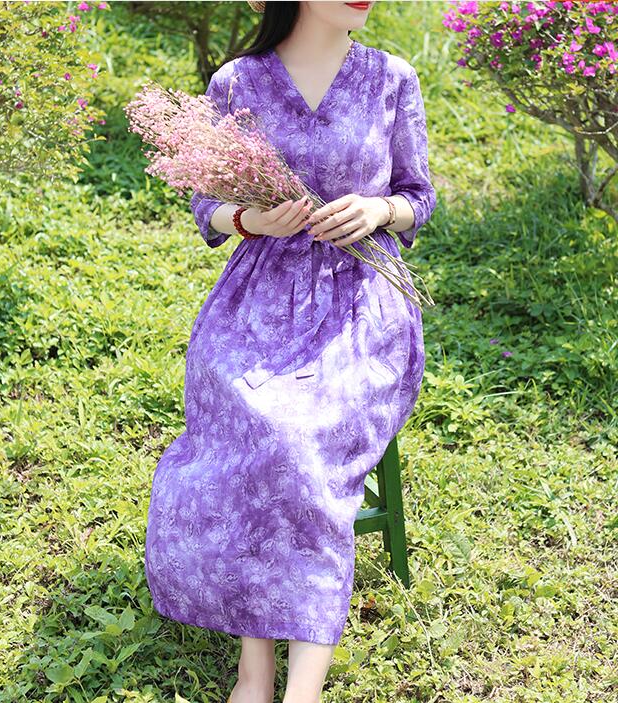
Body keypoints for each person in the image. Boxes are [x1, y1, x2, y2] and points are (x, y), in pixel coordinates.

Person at [144, 1, 437, 702]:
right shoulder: (238, 82)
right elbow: (206, 206)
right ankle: (255, 668)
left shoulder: (391, 78)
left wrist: (378, 210)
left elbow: (418, 195)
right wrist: (251, 219)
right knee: (260, 424)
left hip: (359, 305)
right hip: (256, 304)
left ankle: (301, 689)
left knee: (296, 439)